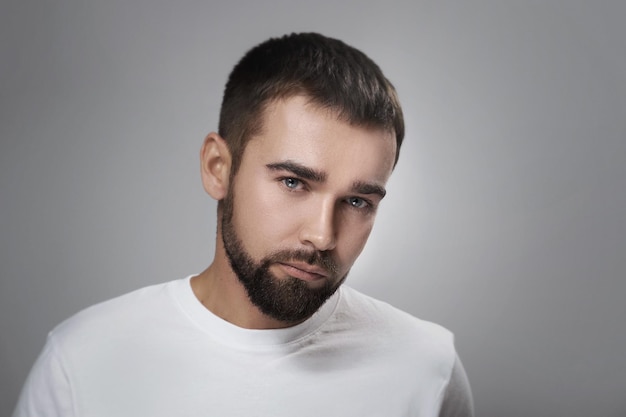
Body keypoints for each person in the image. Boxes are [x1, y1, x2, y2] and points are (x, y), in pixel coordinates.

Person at [13, 32, 474, 417]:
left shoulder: (425, 368)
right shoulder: (83, 361)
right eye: (293, 182)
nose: (323, 235)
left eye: (357, 200)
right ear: (218, 168)